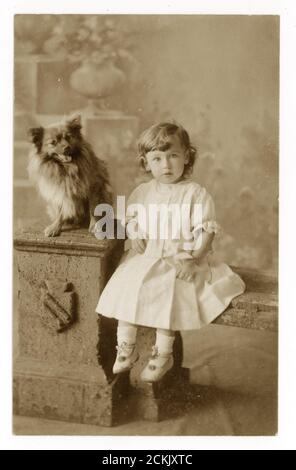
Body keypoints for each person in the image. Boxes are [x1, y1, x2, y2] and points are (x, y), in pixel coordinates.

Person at [96, 122, 245, 382]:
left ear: (187, 156)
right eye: (157, 159)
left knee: (169, 296)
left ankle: (163, 355)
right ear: (146, 163)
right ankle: (125, 349)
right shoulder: (142, 192)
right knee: (126, 289)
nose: (166, 165)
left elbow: (206, 230)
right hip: (147, 256)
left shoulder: (194, 194)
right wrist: (134, 231)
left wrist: (194, 259)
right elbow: (130, 217)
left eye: (173, 156)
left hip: (180, 258)